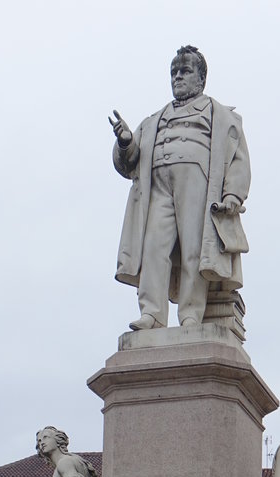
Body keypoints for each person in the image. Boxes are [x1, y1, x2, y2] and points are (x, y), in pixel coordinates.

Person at [110, 45, 250, 330]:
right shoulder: (153, 121)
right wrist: (126, 142)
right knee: (153, 247)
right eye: (174, 72)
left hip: (198, 185)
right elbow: (129, 163)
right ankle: (152, 313)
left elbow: (238, 159)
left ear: (201, 79)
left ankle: (190, 314)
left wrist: (232, 194)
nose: (177, 77)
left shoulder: (221, 115)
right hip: (157, 187)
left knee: (194, 248)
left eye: (185, 71)